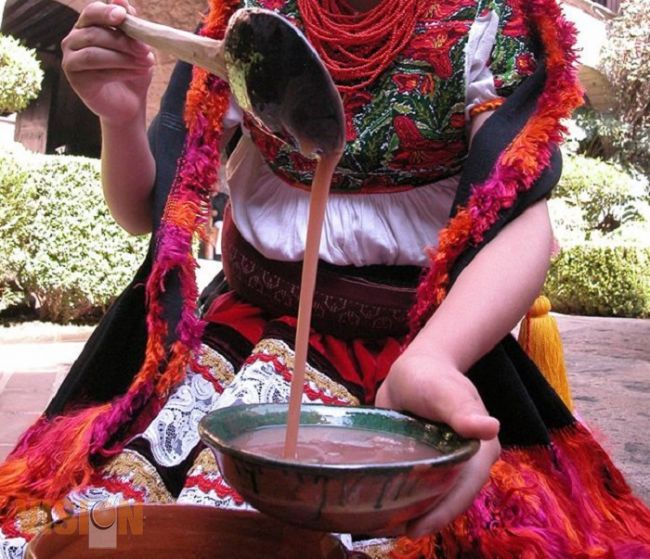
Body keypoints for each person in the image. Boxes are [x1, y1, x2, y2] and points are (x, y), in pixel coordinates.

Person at [1, 0, 649, 557]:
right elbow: (146, 207)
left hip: (418, 359)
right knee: (109, 526)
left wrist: (437, 359)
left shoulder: (486, 20)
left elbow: (521, 218)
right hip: (234, 342)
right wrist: (118, 118)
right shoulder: (249, 17)